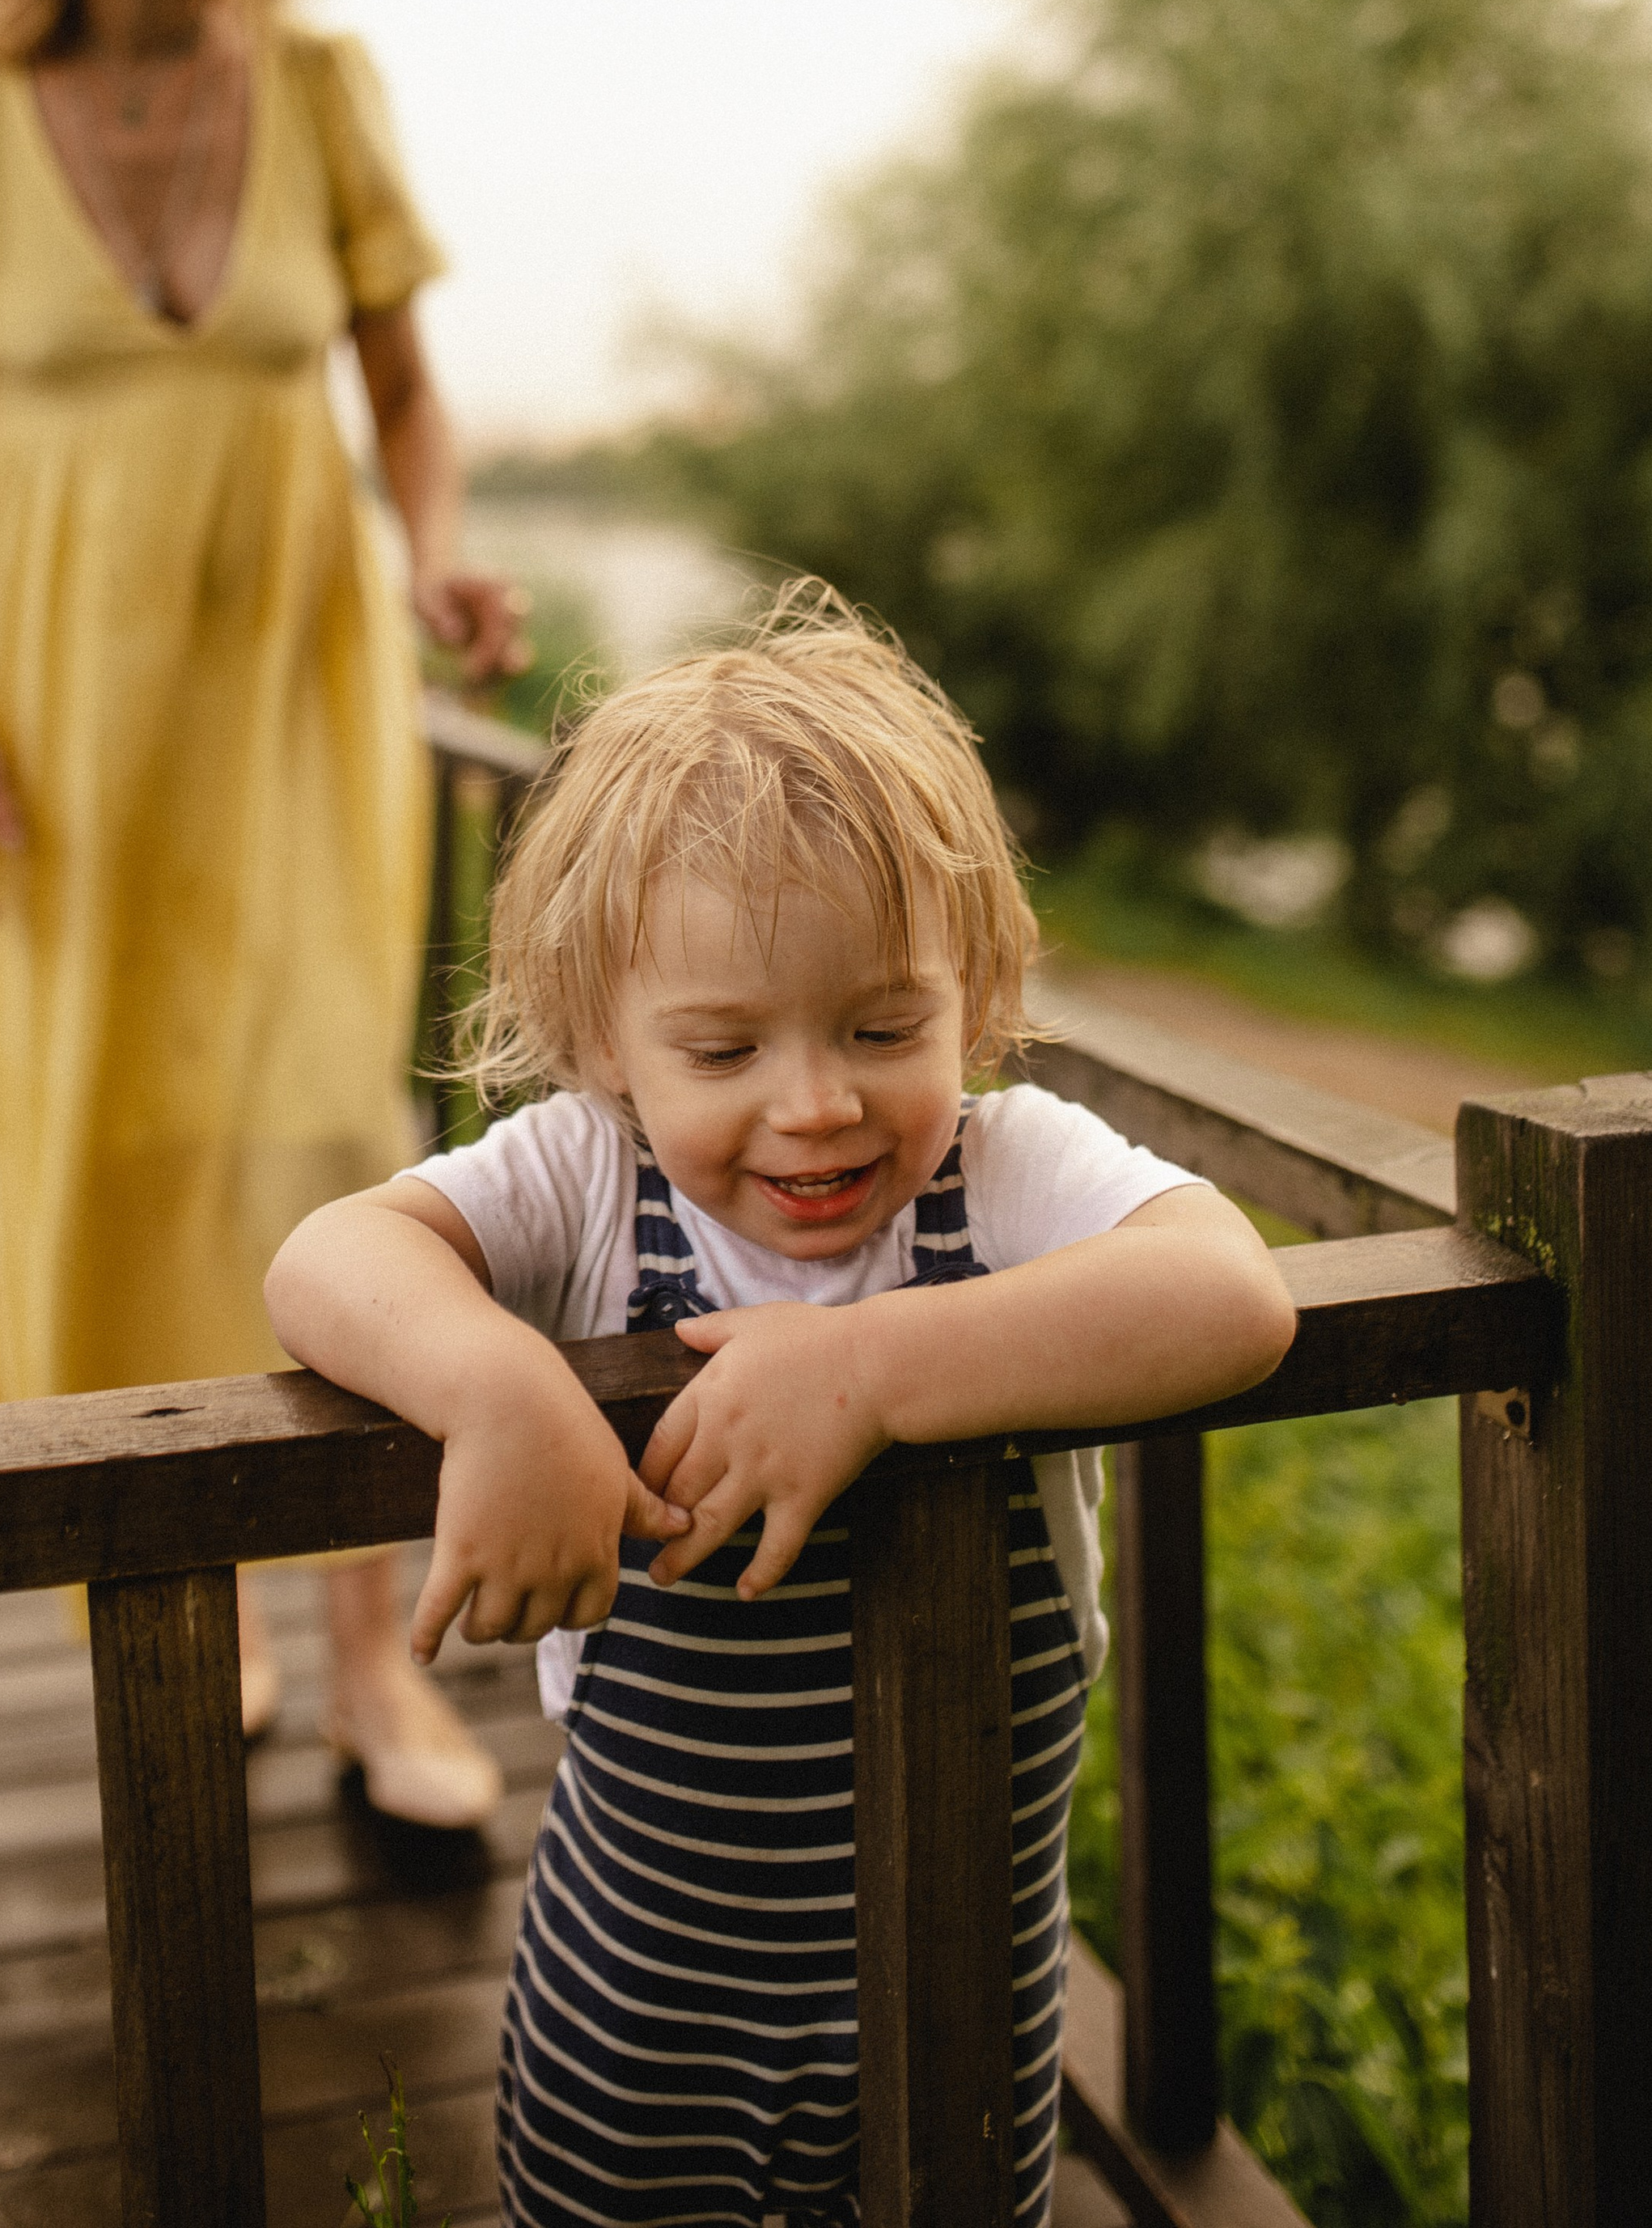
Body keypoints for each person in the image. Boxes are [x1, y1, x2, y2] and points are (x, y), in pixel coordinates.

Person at [267, 587, 1298, 2226]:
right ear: (607, 1037)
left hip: (962, 1978)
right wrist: (496, 1384)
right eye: (722, 1046)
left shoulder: (1001, 1167)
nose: (812, 1101)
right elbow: (327, 1256)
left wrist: (871, 1365)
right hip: (642, 1998)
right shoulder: (589, 1180)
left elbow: (1228, 1294)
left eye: (882, 1025)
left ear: (962, 983)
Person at [0, 0, 523, 1823]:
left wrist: (433, 544)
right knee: (110, 1161)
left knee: (318, 1140)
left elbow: (401, 390)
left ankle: (377, 1671)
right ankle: (179, 1599)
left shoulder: (319, 86)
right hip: (34, 737)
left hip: (288, 712)